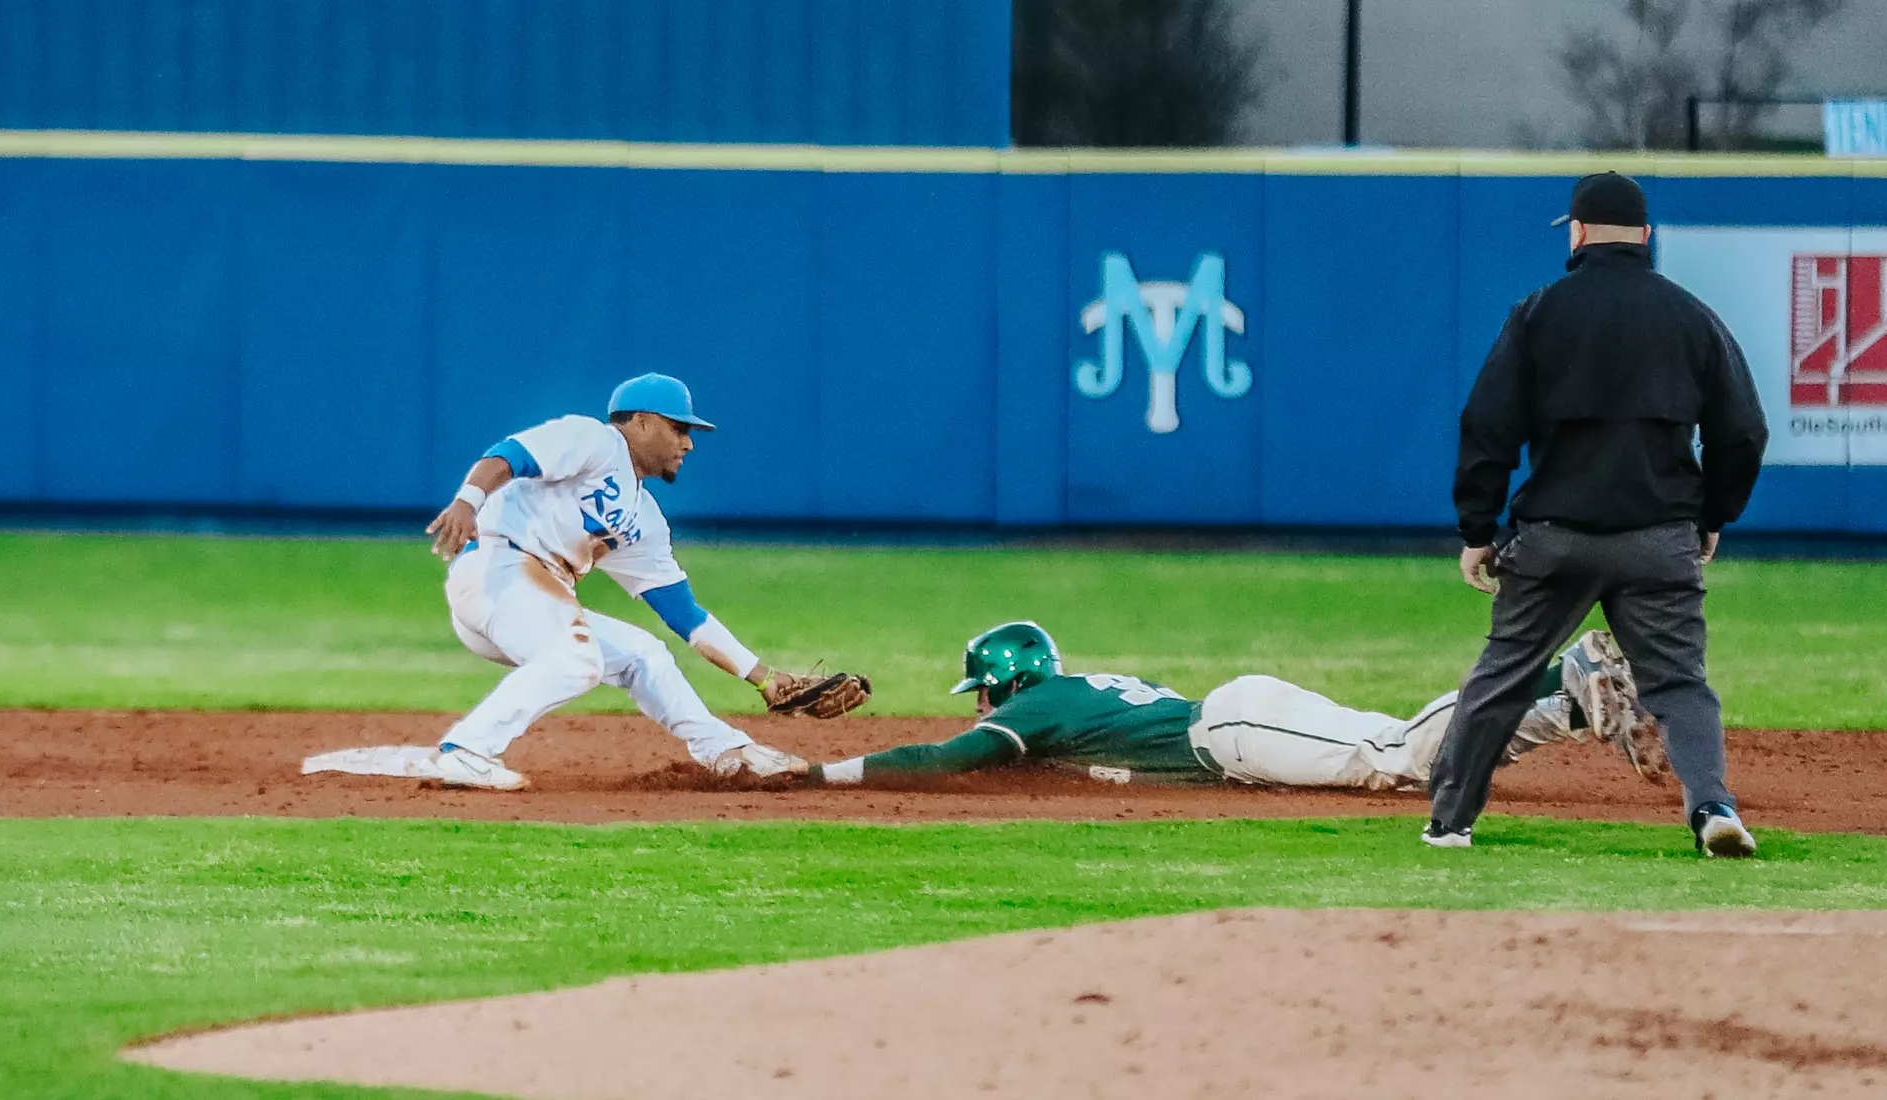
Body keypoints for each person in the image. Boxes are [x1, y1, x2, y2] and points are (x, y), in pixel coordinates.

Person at [1427, 172, 1768, 856]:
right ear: (1646, 236)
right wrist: (1712, 515)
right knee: (1679, 683)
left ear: (1578, 232)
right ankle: (1712, 807)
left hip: (1555, 538)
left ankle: (1451, 821)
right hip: (1658, 539)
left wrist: (1477, 528)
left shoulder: (1538, 312)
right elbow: (1743, 431)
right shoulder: (1691, 316)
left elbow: (1487, 425)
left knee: (1504, 674)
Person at [333, 373, 817, 791]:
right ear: (641, 421)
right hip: (496, 569)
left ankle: (724, 751)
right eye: (679, 428)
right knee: (578, 657)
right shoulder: (595, 440)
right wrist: (468, 500)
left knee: (644, 654)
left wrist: (766, 679)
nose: (688, 443)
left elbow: (685, 615)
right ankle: (465, 750)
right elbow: (511, 454)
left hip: (531, 602)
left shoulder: (644, 518)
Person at [794, 621, 1665, 792]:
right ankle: (1569, 703)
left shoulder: (1039, 707)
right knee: (1414, 763)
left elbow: (947, 758)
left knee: (1393, 755)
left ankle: (1555, 673)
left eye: (983, 690)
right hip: (1237, 721)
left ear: (1007, 680)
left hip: (1235, 731)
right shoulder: (1069, 698)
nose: (982, 705)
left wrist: (822, 775)